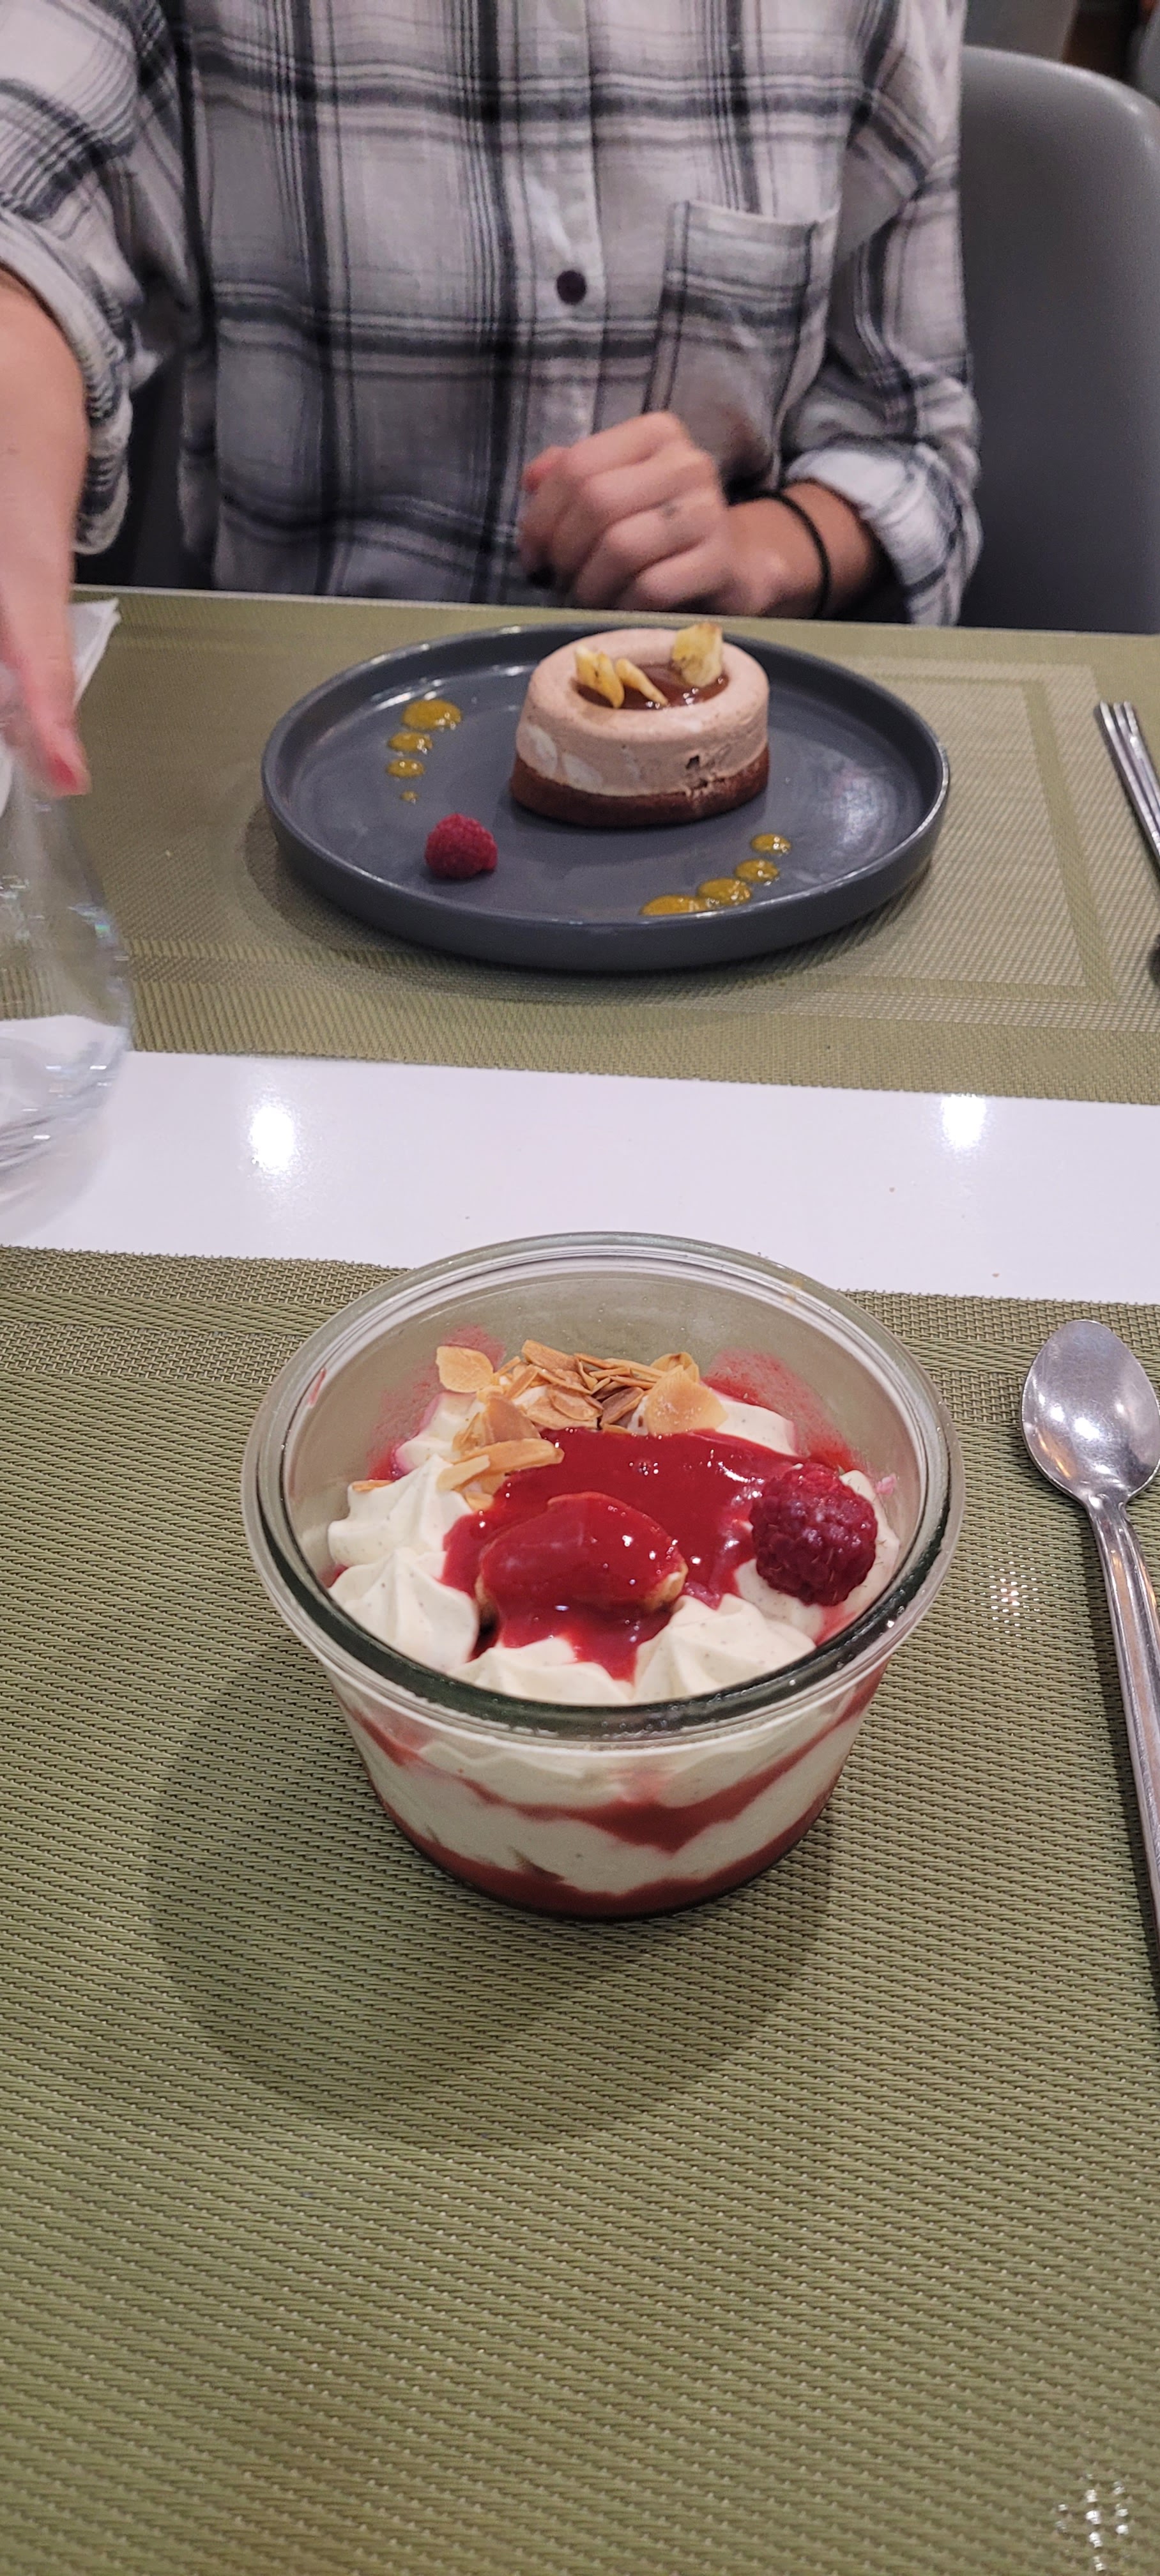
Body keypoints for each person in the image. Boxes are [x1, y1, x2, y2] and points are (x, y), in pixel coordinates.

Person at [0, 1, 979, 795]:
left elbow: (914, 447)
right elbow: (27, 190)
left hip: (733, 781)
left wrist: (757, 552)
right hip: (297, 762)